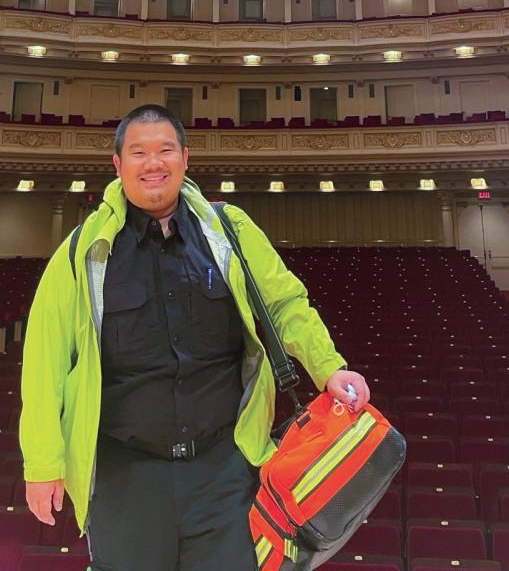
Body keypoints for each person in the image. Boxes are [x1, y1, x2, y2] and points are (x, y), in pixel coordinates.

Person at [20, 102, 369, 571]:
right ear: (118, 165)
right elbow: (45, 363)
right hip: (125, 475)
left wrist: (328, 366)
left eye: (165, 149)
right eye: (138, 152)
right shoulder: (80, 253)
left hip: (224, 469)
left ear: (185, 158)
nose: (153, 162)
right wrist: (43, 466)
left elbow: (285, 303)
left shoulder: (231, 230)